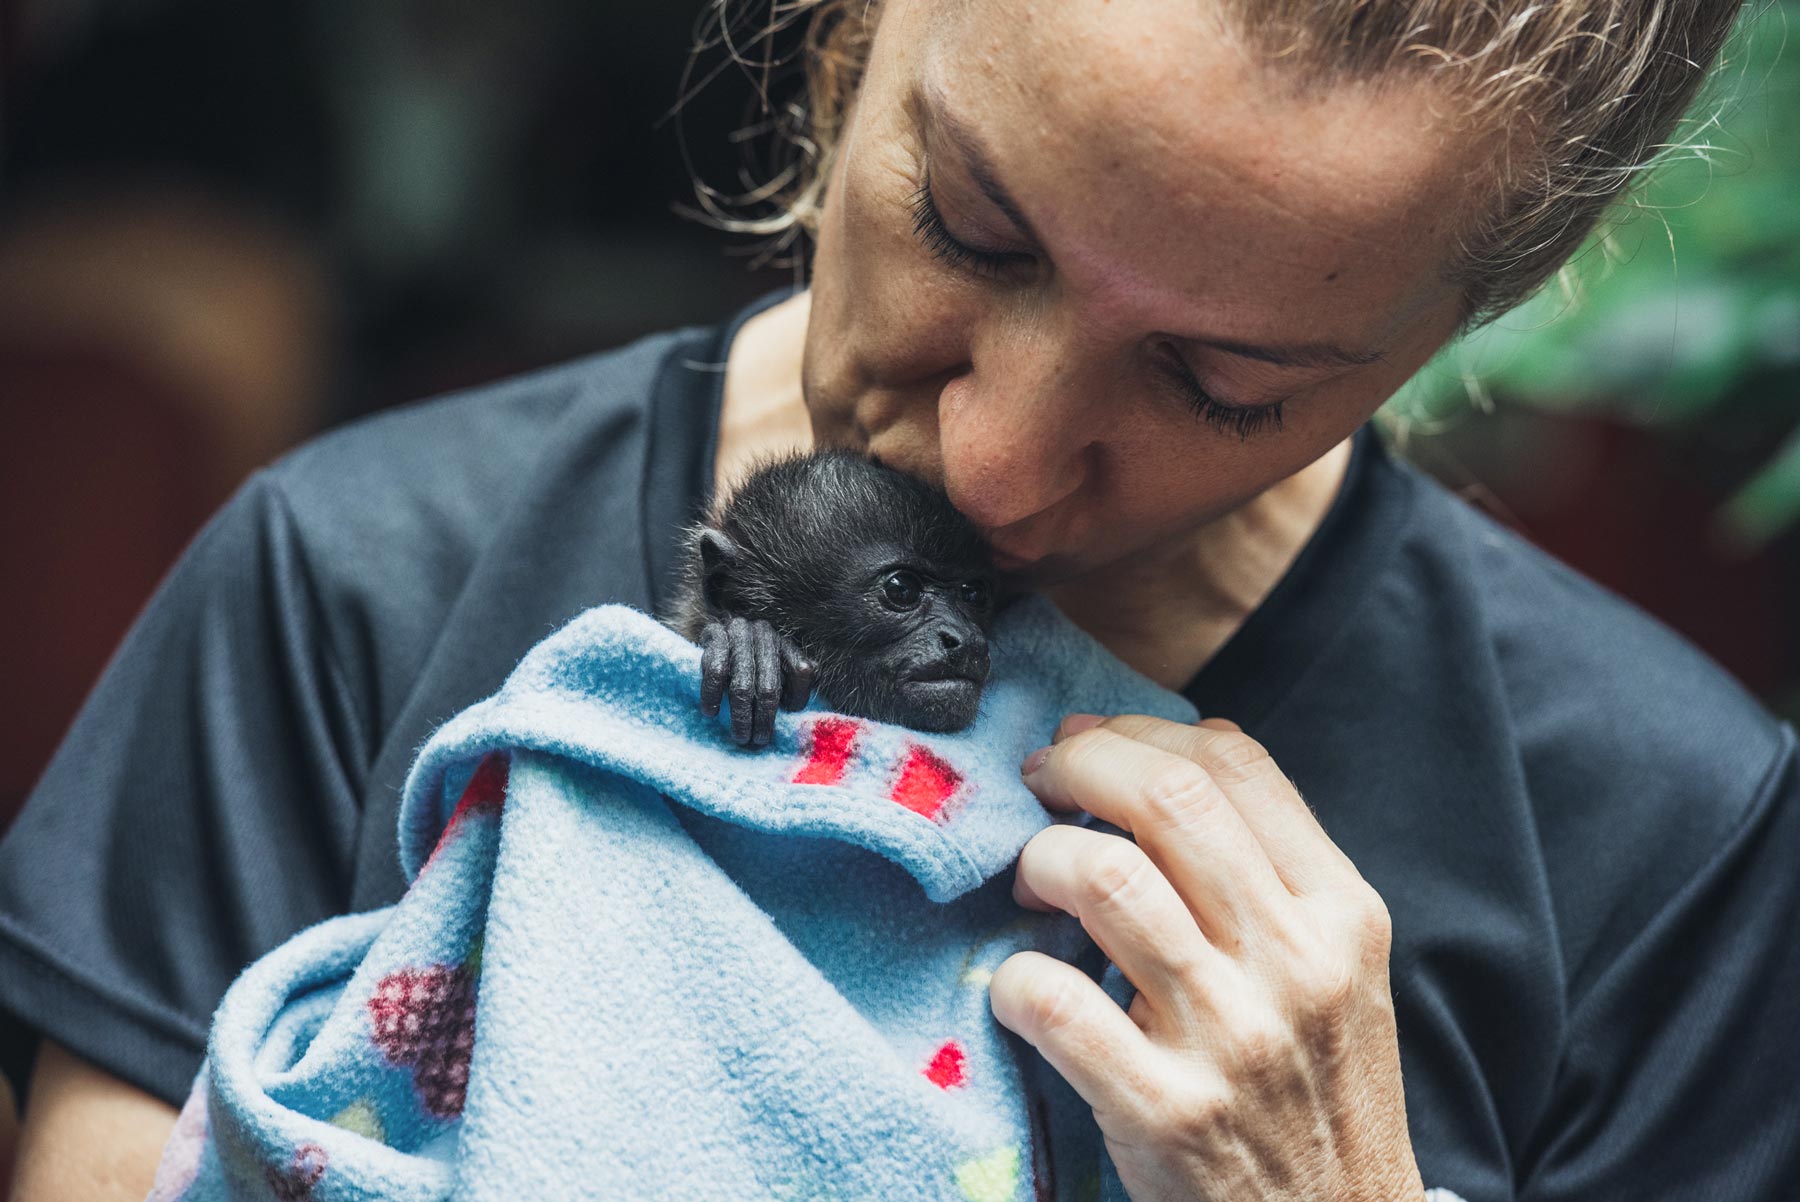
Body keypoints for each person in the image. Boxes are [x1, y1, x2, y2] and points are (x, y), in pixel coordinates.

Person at [6, 0, 1796, 1197]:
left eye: (1223, 384)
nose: (998, 466)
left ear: (1483, 303)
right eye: (969, 226)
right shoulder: (350, 587)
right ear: (855, 33)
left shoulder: (1667, 843)